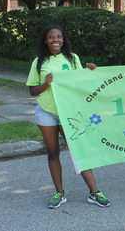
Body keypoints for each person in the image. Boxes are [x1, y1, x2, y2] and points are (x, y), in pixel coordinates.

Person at [26, 24, 111, 209]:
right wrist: (47, 84)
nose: (55, 40)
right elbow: (33, 90)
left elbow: (79, 83)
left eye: (59, 37)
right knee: (53, 152)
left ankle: (94, 192)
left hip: (69, 112)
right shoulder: (38, 62)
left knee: (77, 150)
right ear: (45, 40)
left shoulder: (73, 59)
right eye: (51, 37)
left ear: (63, 39)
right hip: (46, 112)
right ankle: (59, 193)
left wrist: (90, 70)